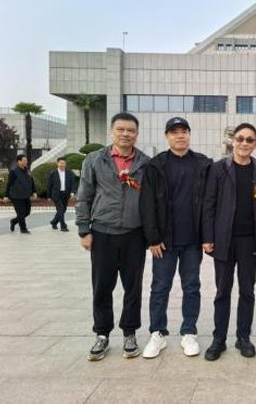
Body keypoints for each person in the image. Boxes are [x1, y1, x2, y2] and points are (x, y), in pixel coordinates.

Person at [76, 112, 150, 361]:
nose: (125, 134)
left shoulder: (145, 163)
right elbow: (84, 196)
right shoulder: (95, 160)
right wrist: (84, 229)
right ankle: (102, 333)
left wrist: (151, 234)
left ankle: (130, 332)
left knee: (133, 287)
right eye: (121, 129)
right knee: (102, 286)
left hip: (134, 235)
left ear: (136, 134)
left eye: (131, 130)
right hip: (102, 233)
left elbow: (151, 201)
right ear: (112, 131)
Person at [140, 117, 212, 359]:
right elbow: (147, 203)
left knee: (192, 287)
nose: (180, 136)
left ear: (189, 134)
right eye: (174, 132)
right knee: (160, 287)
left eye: (184, 131)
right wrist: (152, 238)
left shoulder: (203, 164)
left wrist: (207, 236)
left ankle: (188, 331)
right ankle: (157, 333)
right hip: (164, 242)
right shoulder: (155, 165)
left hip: (192, 241)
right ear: (167, 136)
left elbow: (209, 203)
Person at [202, 123, 256, 361]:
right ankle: (219, 339)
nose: (244, 143)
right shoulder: (219, 168)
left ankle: (243, 337)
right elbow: (209, 204)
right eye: (240, 138)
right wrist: (208, 237)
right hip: (224, 240)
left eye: (249, 140)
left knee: (247, 291)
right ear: (233, 141)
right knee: (222, 291)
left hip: (250, 241)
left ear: (255, 144)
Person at [4, 155, 37, 234]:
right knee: (21, 213)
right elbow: (9, 184)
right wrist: (6, 196)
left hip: (26, 195)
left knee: (27, 212)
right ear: (19, 161)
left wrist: (34, 191)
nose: (26, 162)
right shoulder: (13, 171)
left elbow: (32, 181)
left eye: (26, 160)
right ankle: (23, 229)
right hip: (17, 196)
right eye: (24, 160)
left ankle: (14, 221)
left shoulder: (27, 170)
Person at [47, 157, 76, 232]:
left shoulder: (69, 173)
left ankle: (54, 222)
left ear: (65, 164)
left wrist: (72, 192)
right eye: (61, 163)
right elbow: (49, 185)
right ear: (57, 163)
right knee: (60, 209)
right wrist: (49, 196)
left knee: (63, 209)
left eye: (64, 163)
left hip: (65, 194)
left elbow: (73, 183)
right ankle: (63, 226)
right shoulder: (53, 173)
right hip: (56, 194)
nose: (62, 165)